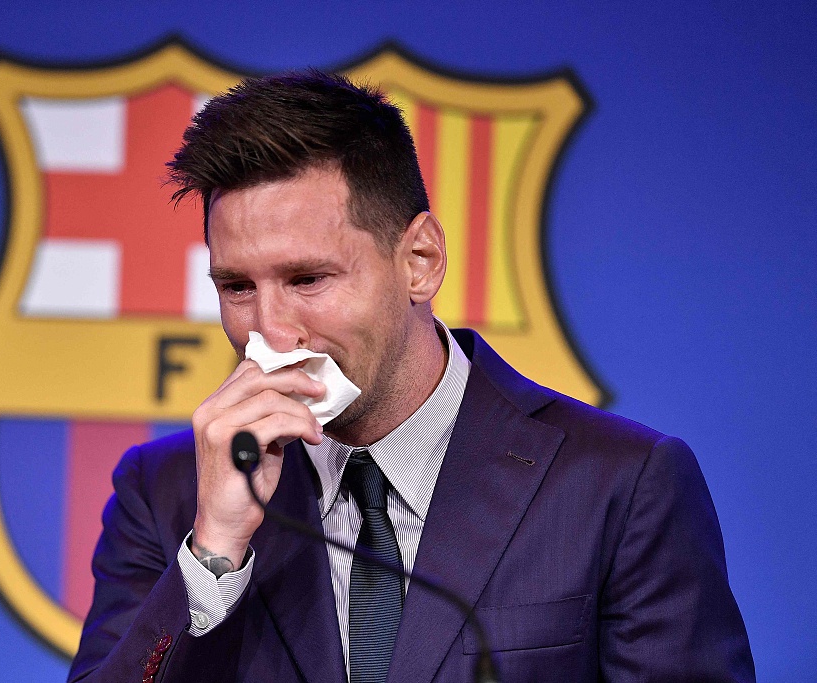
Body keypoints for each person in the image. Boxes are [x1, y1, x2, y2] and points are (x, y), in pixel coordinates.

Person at [68, 71, 754, 683]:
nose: (268, 331)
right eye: (236, 285)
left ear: (420, 260)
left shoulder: (619, 484)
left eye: (308, 278)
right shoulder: (165, 494)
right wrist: (215, 554)